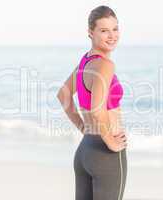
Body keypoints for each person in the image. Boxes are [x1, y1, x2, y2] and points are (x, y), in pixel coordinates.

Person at [57, 5, 127, 200]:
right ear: (90, 32)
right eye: (104, 30)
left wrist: (83, 127)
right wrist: (111, 142)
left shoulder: (85, 62)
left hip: (85, 150)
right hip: (105, 155)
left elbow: (63, 95)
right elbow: (97, 110)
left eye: (115, 28)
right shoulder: (105, 64)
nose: (112, 35)